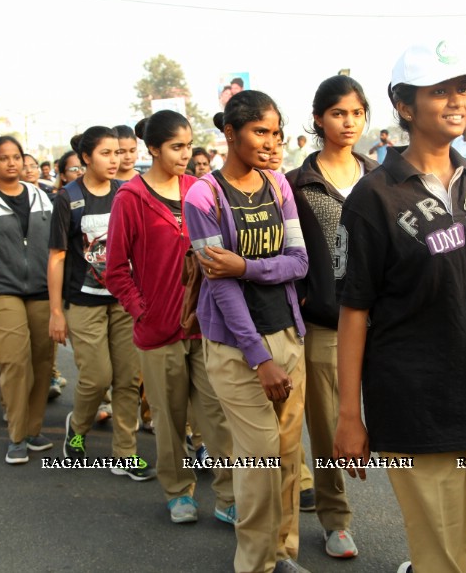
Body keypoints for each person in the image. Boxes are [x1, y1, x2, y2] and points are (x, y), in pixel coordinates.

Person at [332, 38, 466, 573]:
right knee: (440, 557)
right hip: (414, 403)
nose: (457, 101)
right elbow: (355, 310)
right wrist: (348, 414)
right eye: (440, 91)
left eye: (462, 90)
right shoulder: (373, 198)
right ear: (405, 106)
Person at [183, 91, 309, 573]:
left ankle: (284, 553)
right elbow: (220, 289)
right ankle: (254, 564)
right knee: (258, 461)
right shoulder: (204, 195)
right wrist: (260, 358)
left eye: (275, 132)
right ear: (230, 134)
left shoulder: (279, 185)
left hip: (288, 334)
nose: (270, 141)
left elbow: (299, 263)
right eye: (260, 131)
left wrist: (247, 266)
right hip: (238, 349)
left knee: (288, 456)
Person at [106, 111, 236, 525]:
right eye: (176, 147)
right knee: (169, 416)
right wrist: (142, 310)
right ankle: (178, 491)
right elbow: (114, 269)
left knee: (216, 413)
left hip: (206, 324)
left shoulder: (199, 189)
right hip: (157, 330)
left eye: (188, 145)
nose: (185, 154)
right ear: (154, 149)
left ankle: (228, 496)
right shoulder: (130, 197)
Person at [286, 75, 377, 560]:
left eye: (357, 113)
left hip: (389, 320)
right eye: (339, 113)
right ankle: (335, 517)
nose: (349, 122)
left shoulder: (384, 175)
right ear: (319, 118)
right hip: (327, 321)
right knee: (328, 424)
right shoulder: (297, 185)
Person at [49, 127, 151, 480]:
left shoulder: (126, 192)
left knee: (127, 379)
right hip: (84, 303)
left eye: (119, 153)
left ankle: (125, 452)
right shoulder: (69, 198)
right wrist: (56, 312)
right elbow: (57, 257)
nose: (116, 160)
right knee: (96, 378)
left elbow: (139, 248)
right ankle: (77, 428)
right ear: (86, 158)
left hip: (124, 302)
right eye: (106, 153)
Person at [0, 136, 55, 464]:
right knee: (15, 362)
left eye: (17, 157)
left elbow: (55, 248)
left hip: (43, 290)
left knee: (43, 362)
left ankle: (33, 429)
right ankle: (16, 435)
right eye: (4, 158)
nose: (12, 163)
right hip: (2, 290)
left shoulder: (41, 198)